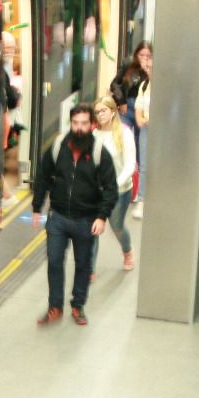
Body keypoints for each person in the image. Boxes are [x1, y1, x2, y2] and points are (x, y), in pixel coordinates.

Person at [29, 105, 118, 326]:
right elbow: (43, 175)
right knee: (55, 262)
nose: (79, 128)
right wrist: (36, 207)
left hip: (86, 220)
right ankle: (55, 306)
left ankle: (78, 306)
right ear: (71, 123)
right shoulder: (59, 147)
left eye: (84, 124)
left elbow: (111, 188)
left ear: (92, 125)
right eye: (75, 123)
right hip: (58, 217)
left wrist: (102, 217)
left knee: (83, 265)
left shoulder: (99, 153)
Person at [91, 96, 138, 274]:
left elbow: (130, 165)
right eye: (97, 112)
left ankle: (127, 251)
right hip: (97, 191)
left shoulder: (124, 134)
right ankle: (89, 269)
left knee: (116, 226)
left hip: (120, 190)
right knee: (93, 228)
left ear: (112, 111)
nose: (100, 115)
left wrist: (112, 185)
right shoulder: (95, 135)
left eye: (103, 110)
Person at [112, 42, 152, 209]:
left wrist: (148, 70)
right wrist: (121, 101)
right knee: (124, 145)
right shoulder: (129, 64)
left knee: (139, 150)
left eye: (147, 56)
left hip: (142, 110)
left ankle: (138, 191)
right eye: (141, 55)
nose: (144, 59)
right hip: (127, 107)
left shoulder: (151, 71)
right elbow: (115, 84)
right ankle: (121, 186)